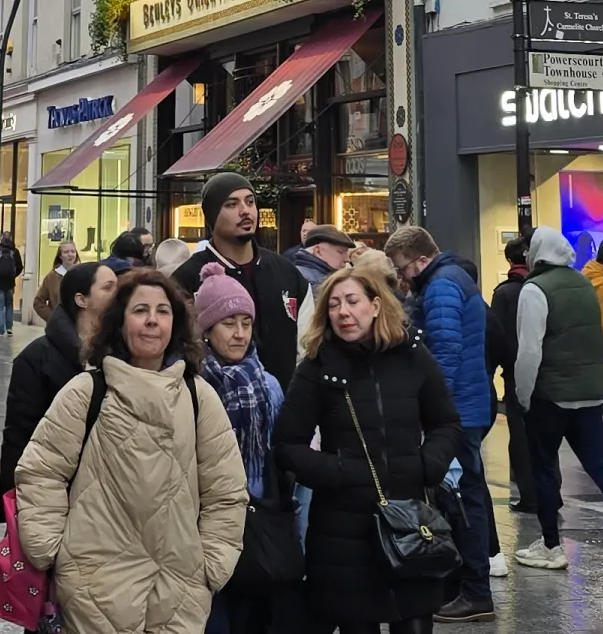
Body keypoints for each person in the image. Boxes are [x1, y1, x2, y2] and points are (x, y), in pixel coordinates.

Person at [13, 268, 247, 634]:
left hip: (177, 592)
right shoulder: (86, 392)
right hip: (92, 590)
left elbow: (226, 490)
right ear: (119, 322)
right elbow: (41, 471)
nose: (152, 320)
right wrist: (52, 550)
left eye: (162, 311)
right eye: (140, 310)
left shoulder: (198, 397)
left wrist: (212, 565)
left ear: (176, 324)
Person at [279, 264, 465, 634]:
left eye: (352, 301)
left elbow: (446, 422)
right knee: (356, 623)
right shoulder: (318, 367)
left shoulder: (413, 356)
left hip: (411, 523)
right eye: (334, 305)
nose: (343, 312)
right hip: (344, 532)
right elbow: (287, 444)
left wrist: (427, 464)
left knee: (414, 620)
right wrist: (338, 472)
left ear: (376, 305)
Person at [511, 227, 603, 579]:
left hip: (550, 395)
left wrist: (522, 394)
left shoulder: (535, 289)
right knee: (599, 465)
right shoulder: (585, 285)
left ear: (537, 253)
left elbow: (529, 350)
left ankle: (551, 545)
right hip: (589, 392)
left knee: (545, 467)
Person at [387, 224, 498, 616]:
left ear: (421, 259)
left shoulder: (442, 286)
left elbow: (445, 352)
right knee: (463, 494)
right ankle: (465, 585)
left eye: (403, 268)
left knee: (462, 498)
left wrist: (435, 409)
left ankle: (475, 590)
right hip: (466, 406)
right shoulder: (448, 280)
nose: (402, 278)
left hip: (458, 410)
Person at [191, 266, 289, 634]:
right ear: (206, 329)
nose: (239, 333)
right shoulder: (190, 383)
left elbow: (278, 451)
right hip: (203, 518)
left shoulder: (268, 384)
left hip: (256, 514)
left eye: (246, 323)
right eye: (228, 323)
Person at [175, 173, 301, 383]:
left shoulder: (287, 273)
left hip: (283, 398)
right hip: (211, 396)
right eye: (232, 204)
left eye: (250, 202)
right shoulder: (185, 279)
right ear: (212, 215)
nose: (245, 211)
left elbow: (307, 346)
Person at [4, 260, 115, 493]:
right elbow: (19, 437)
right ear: (81, 300)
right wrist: (13, 498)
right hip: (56, 485)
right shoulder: (35, 358)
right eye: (108, 287)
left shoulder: (124, 352)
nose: (119, 293)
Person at [484, 235, 532, 517]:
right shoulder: (540, 287)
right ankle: (550, 489)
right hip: (543, 371)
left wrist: (494, 367)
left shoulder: (504, 293)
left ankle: (529, 495)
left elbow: (496, 333)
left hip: (514, 371)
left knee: (521, 435)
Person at [281, 225, 357, 316]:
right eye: (340, 252)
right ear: (318, 251)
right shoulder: (315, 282)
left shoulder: (297, 273)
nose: (347, 259)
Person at [33, 242, 82, 323]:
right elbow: (38, 302)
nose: (70, 254)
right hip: (59, 326)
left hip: (79, 325)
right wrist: (53, 318)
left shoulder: (82, 274)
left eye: (73, 251)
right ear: (60, 256)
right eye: (66, 252)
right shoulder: (52, 277)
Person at [0, 233, 25, 339]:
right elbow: (20, 266)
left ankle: (0, 329)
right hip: (10, 283)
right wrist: (13, 275)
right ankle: (9, 328)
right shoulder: (14, 251)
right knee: (9, 305)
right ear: (11, 239)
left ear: (1, 239)